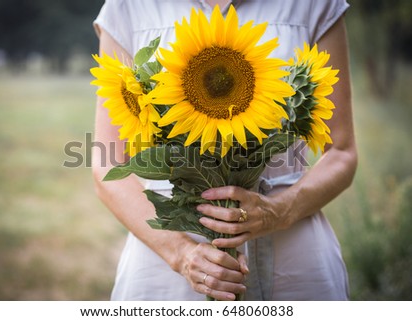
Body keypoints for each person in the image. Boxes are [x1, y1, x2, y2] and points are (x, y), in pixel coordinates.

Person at [92, 0, 357, 300]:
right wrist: (181, 253)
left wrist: (278, 211)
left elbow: (342, 152)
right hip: (165, 263)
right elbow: (107, 166)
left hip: (293, 259)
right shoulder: (129, 6)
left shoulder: (312, 4)